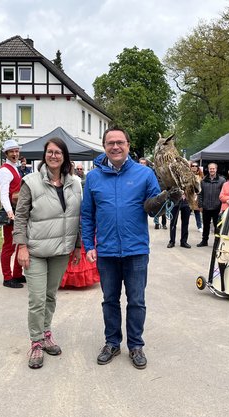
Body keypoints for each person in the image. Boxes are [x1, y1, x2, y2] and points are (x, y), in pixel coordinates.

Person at [81, 126, 180, 370]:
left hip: (136, 250)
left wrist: (168, 198)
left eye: (120, 142)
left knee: (136, 300)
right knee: (110, 300)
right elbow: (87, 215)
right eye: (110, 143)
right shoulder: (93, 177)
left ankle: (135, 345)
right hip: (106, 251)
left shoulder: (144, 174)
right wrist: (87, 244)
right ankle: (112, 343)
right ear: (104, 146)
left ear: (128, 145)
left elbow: (154, 209)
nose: (115, 146)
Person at [13, 137, 82, 369]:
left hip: (61, 251)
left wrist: (78, 246)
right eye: (50, 152)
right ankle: (35, 342)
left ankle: (46, 332)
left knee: (51, 296)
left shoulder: (75, 183)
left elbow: (79, 217)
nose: (53, 156)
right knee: (37, 299)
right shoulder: (30, 182)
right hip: (36, 251)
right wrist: (21, 246)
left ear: (64, 156)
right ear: (44, 155)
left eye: (58, 152)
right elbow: (20, 216)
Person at [0, 139, 25, 288]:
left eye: (16, 151)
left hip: (18, 210)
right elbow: (4, 194)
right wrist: (9, 212)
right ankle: (7, 277)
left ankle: (17, 273)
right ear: (6, 154)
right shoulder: (5, 170)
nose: (15, 154)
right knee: (9, 245)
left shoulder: (14, 168)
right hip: (12, 211)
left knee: (20, 242)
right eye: (12, 152)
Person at [197, 162, 225, 247]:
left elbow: (223, 193)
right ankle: (204, 241)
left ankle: (217, 242)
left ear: (216, 169)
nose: (212, 170)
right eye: (210, 168)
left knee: (218, 226)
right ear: (208, 169)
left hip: (217, 207)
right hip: (206, 207)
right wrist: (200, 205)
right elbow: (200, 194)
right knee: (206, 226)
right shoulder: (203, 181)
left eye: (213, 168)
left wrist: (221, 207)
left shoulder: (222, 180)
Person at [140, 157, 167, 230]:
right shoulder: (150, 171)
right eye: (141, 163)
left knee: (162, 207)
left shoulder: (153, 171)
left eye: (144, 163)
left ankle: (164, 224)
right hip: (155, 189)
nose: (142, 164)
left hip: (163, 189)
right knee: (155, 205)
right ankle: (157, 223)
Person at [190, 162, 203, 231]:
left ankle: (199, 226)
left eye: (196, 166)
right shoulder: (187, 175)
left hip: (197, 196)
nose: (194, 167)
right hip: (188, 196)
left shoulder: (200, 177)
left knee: (197, 211)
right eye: (193, 166)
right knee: (186, 212)